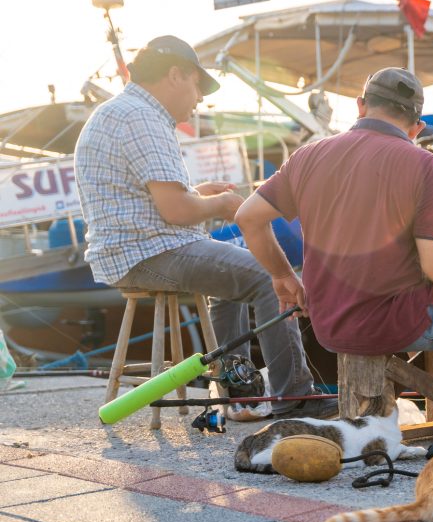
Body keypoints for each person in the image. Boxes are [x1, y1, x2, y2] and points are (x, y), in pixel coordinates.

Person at [235, 67, 433, 437]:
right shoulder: (422, 162)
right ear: (417, 127)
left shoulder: (307, 156)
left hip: (328, 324)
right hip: (394, 323)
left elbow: (247, 217)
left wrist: (283, 277)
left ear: (361, 106)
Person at [74, 35, 336, 419]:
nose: (199, 98)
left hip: (131, 248)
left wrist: (197, 193)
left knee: (232, 274)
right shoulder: (143, 118)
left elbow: (148, 200)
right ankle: (293, 396)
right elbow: (177, 212)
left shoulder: (120, 111)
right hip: (149, 250)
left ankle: (239, 393)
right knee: (267, 276)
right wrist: (228, 205)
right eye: (198, 85)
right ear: (176, 75)